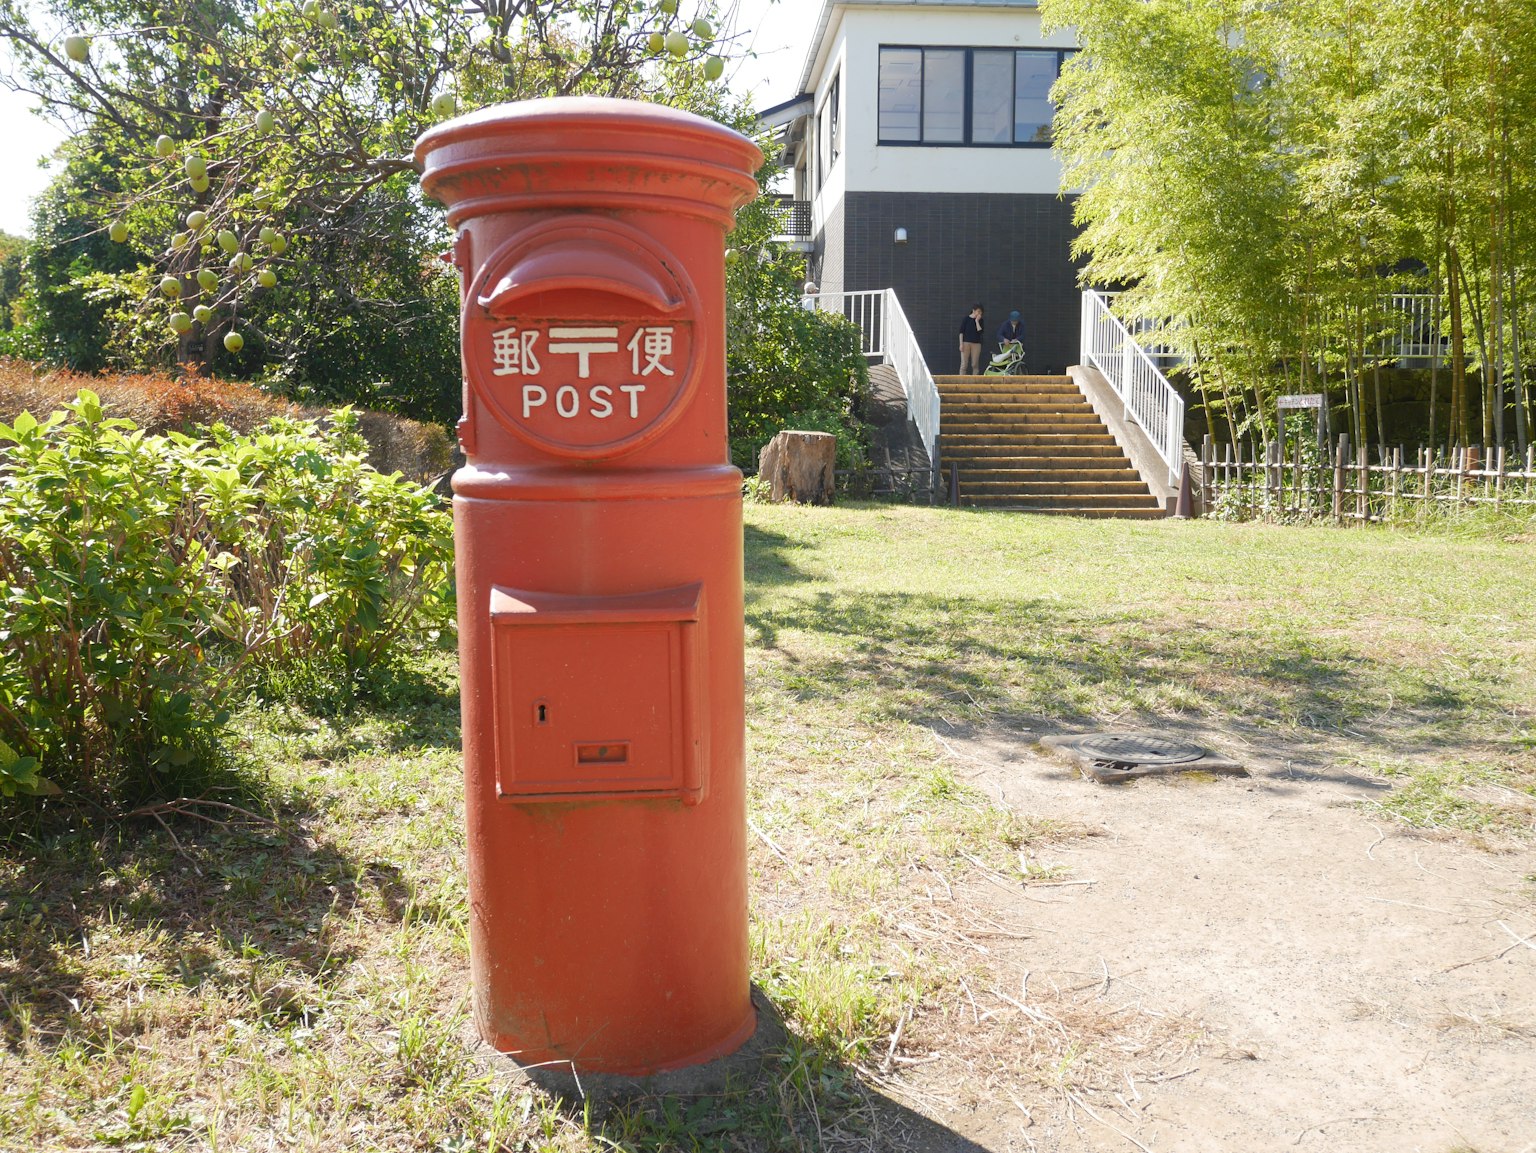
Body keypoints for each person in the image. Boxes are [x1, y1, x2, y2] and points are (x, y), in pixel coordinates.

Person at [958, 304, 984, 374]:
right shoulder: (966, 319)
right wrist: (961, 344)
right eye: (978, 311)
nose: (979, 313)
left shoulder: (980, 320)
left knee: (975, 364)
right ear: (973, 310)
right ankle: (961, 382)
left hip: (976, 344)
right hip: (965, 343)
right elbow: (961, 332)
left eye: (981, 312)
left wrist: (977, 321)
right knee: (964, 364)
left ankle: (974, 382)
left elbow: (980, 331)